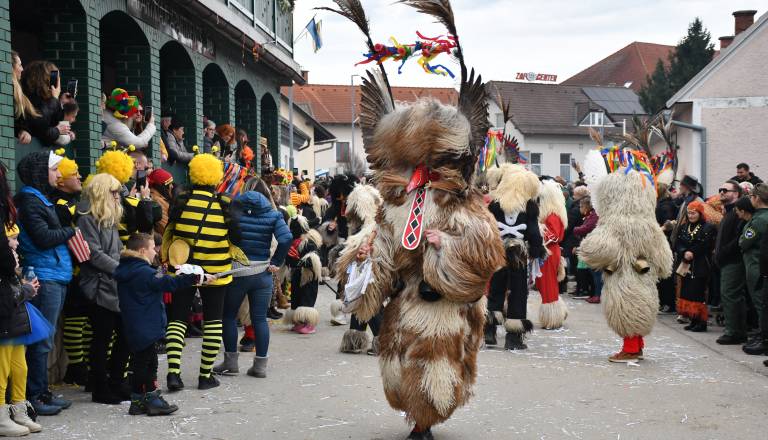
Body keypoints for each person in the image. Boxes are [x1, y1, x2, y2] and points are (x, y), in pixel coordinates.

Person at [163, 153, 232, 391]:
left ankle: (173, 373)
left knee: (178, 318)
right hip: (217, 269)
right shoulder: (224, 203)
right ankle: (205, 376)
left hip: (184, 267)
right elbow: (237, 236)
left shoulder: (181, 199)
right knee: (213, 321)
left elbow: (170, 231)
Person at [15, 151, 75, 415]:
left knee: (46, 339)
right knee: (41, 340)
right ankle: (35, 396)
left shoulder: (41, 200)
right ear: (40, 171)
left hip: (55, 274)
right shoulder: (29, 201)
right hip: (44, 275)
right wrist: (70, 230)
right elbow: (42, 237)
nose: (58, 175)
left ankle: (42, 391)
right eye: (53, 170)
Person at [115, 233, 201, 416]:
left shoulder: (131, 269)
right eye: (153, 247)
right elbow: (167, 283)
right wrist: (194, 278)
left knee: (142, 362)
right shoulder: (142, 272)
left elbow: (155, 278)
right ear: (142, 250)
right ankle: (151, 399)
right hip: (145, 325)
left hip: (137, 325)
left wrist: (167, 268)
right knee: (147, 364)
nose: (156, 251)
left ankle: (138, 400)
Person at [215, 180, 291, 377]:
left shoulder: (233, 213)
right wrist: (276, 261)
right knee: (259, 319)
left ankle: (231, 364)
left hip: (237, 272)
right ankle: (260, 366)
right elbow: (286, 238)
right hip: (262, 274)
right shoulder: (274, 215)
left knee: (229, 317)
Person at [77, 173, 130, 404]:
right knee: (101, 339)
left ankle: (116, 382)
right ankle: (100, 387)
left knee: (125, 336)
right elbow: (93, 254)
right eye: (114, 192)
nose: (117, 196)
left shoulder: (108, 216)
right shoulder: (87, 217)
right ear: (102, 192)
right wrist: (121, 269)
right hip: (99, 286)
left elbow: (116, 249)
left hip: (114, 285)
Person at [0, 165, 43, 435]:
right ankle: (2, 415)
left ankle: (18, 408)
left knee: (19, 362)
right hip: (5, 296)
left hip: (11, 294)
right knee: (2, 363)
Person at [485, 164, 545, 350]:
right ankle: (514, 338)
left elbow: (488, 229)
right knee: (518, 293)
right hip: (518, 254)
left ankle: (490, 330)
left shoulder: (495, 205)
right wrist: (537, 249)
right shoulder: (529, 206)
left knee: (496, 289)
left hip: (498, 253)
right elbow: (534, 232)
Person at [51, 158, 90, 387]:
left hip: (79, 270)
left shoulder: (73, 203)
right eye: (74, 173)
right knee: (76, 319)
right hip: (72, 270)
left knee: (83, 320)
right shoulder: (60, 206)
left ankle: (81, 366)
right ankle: (77, 367)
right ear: (62, 181)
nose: (79, 177)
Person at [335, 184, 384, 354]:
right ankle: (355, 339)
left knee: (370, 303)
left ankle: (381, 342)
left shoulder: (373, 229)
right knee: (358, 299)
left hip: (371, 272)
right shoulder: (363, 228)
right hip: (360, 271)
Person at [674, 201, 716, 332]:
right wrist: (683, 252)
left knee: (698, 293)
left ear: (700, 213)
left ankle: (701, 322)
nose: (691, 216)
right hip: (686, 265)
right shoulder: (683, 227)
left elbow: (705, 244)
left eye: (694, 213)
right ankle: (693, 320)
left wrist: (692, 252)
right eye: (689, 213)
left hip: (700, 264)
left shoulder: (707, 227)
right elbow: (677, 243)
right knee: (687, 293)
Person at [715, 181, 748, 344]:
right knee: (730, 295)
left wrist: (723, 252)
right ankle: (737, 330)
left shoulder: (738, 213)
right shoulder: (729, 212)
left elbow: (738, 239)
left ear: (736, 193)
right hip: (726, 260)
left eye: (725, 190)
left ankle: (734, 331)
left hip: (733, 261)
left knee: (731, 295)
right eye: (720, 190)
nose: (721, 193)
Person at [18, 61, 72, 159]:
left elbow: (59, 123)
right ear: (44, 79)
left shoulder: (48, 99)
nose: (56, 82)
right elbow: (41, 127)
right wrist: (54, 99)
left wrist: (61, 103)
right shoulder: (29, 98)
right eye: (54, 78)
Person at [536, 179, 569, 329]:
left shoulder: (553, 216)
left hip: (549, 252)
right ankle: (554, 313)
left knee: (548, 285)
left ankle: (553, 317)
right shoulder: (551, 215)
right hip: (548, 251)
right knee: (545, 284)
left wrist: (539, 232)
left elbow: (555, 236)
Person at [741, 183, 768, 355]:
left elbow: (744, 241)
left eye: (751, 196)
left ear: (757, 198)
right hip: (759, 264)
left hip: (757, 264)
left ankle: (763, 337)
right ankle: (761, 334)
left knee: (760, 303)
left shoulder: (759, 219)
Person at [285, 215, 322, 334]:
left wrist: (301, 261)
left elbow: (314, 259)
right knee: (296, 297)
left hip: (308, 276)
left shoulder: (308, 243)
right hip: (297, 274)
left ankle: (308, 323)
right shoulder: (292, 243)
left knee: (307, 297)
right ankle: (299, 321)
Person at [574, 196, 602, 304]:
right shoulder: (590, 215)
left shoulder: (594, 215)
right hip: (590, 245)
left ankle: (597, 295)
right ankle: (594, 294)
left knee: (596, 272)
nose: (580, 208)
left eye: (581, 206)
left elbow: (587, 228)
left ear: (587, 206)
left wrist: (575, 229)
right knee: (593, 272)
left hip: (595, 246)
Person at [656, 183, 678, 314]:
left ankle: (668, 303)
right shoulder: (666, 203)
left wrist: (661, 229)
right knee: (663, 274)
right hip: (662, 241)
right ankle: (665, 302)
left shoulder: (665, 206)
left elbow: (668, 224)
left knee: (665, 274)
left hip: (663, 242)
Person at [11, 50, 39, 146]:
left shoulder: (19, 92)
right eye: (19, 65)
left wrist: (23, 130)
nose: (22, 69)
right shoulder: (11, 90)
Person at [163, 119, 194, 187]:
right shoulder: (169, 136)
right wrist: (193, 156)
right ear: (174, 130)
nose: (183, 132)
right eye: (182, 129)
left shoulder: (177, 139)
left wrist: (180, 142)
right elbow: (176, 154)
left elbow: (184, 153)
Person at [148, 169, 174, 235]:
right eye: (169, 184)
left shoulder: (161, 197)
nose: (172, 186)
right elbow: (165, 228)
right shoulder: (156, 201)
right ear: (161, 186)